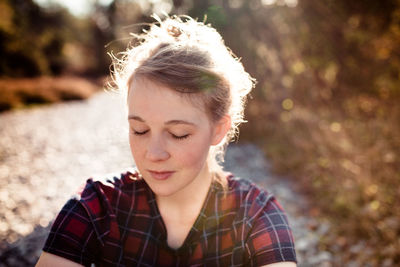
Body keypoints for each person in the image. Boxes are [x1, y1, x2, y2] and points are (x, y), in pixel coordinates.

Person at [36, 15, 297, 267]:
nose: (154, 153)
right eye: (139, 130)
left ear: (218, 129)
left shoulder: (256, 214)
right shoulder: (97, 205)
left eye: (178, 134)